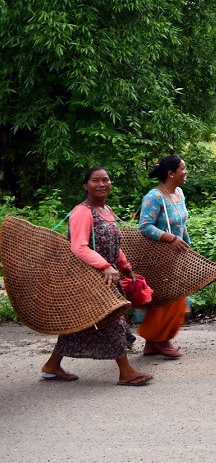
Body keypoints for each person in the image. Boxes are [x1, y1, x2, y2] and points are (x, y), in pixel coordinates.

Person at [39, 167, 153, 386]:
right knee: (112, 320)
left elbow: (113, 245)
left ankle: (52, 365)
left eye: (106, 180)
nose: (101, 184)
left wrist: (126, 268)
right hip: (90, 277)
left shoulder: (106, 210)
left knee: (84, 324)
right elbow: (78, 247)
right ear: (85, 185)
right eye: (95, 180)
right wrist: (104, 266)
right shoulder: (82, 211)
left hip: (106, 276)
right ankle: (126, 372)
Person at [137, 155, 191, 358]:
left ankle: (153, 343)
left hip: (176, 256)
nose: (186, 172)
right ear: (171, 173)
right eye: (183, 169)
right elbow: (144, 227)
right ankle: (161, 340)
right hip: (157, 257)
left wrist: (188, 249)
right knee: (165, 300)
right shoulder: (154, 197)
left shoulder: (179, 193)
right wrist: (169, 238)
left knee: (177, 299)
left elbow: (182, 225)